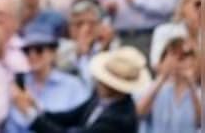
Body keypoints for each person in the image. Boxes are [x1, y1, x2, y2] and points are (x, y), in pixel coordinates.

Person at [14, 46, 148, 132]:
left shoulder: (119, 118)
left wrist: (29, 114)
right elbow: (71, 116)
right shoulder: (100, 96)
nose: (98, 81)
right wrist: (36, 107)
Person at [5, 30, 90, 133]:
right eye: (27, 50)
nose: (32, 55)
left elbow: (79, 124)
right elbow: (11, 126)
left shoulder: (73, 85)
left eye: (39, 49)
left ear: (53, 53)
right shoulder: (18, 84)